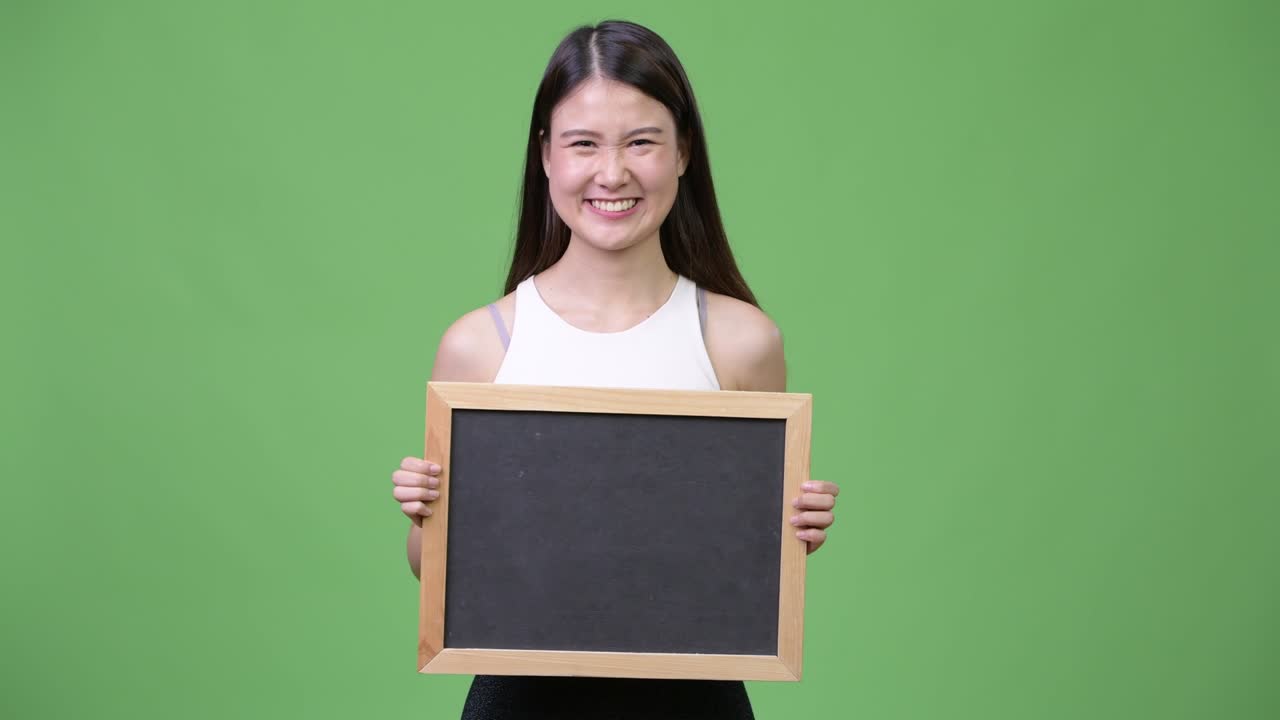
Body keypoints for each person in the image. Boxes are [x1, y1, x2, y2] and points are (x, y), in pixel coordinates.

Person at [391, 19, 840, 719]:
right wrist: (428, 516)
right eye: (583, 144)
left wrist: (792, 530)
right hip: (521, 700)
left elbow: (740, 570)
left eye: (641, 142)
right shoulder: (481, 344)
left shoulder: (741, 341)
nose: (613, 173)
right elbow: (440, 571)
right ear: (545, 157)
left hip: (696, 702)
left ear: (683, 151)